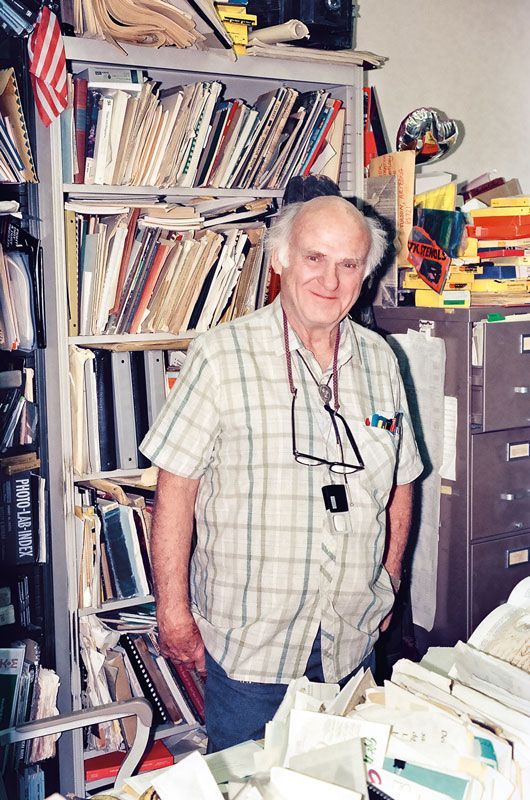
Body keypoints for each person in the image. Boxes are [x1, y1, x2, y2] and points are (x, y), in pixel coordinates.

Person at [140, 195, 423, 751]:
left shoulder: (382, 360)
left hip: (351, 638)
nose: (330, 279)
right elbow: (175, 489)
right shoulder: (221, 355)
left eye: (348, 265)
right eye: (315, 258)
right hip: (252, 648)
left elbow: (402, 480)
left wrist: (388, 582)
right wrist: (172, 613)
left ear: (365, 276)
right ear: (281, 259)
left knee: (339, 782)